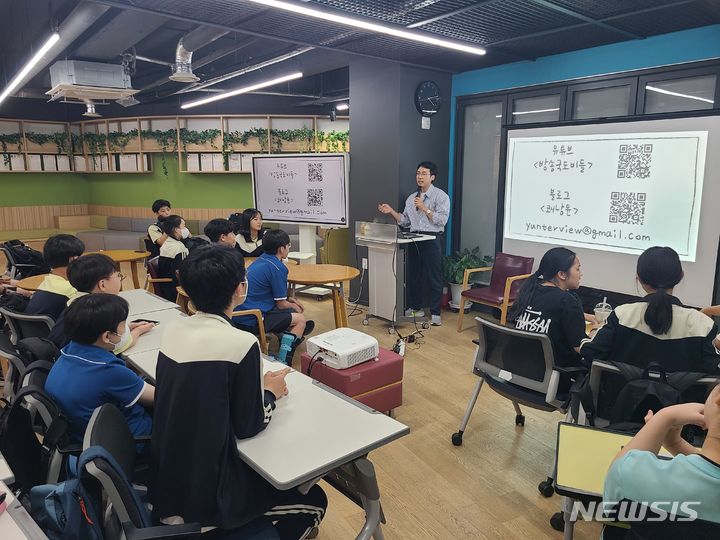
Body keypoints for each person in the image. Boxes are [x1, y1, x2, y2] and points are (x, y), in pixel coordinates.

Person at [150, 245, 327, 538]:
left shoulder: (172, 330)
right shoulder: (241, 344)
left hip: (167, 485)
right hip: (210, 500)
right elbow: (248, 426)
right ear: (240, 288)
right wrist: (270, 391)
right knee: (314, 500)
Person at [581, 246, 720, 373]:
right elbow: (713, 372)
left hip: (622, 400)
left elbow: (591, 353)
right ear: (680, 276)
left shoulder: (622, 315)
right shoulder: (703, 325)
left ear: (639, 278)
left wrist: (594, 331)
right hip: (684, 401)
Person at [45, 293, 154, 443]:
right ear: (107, 336)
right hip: (131, 441)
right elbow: (157, 398)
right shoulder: (108, 370)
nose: (125, 331)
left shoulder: (68, 351)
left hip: (83, 435)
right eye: (123, 325)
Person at [604, 393, 720, 524]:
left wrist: (664, 417)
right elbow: (711, 470)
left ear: (718, 399)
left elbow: (614, 493)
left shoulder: (640, 477)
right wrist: (674, 443)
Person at [378, 161, 450, 326]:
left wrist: (425, 208)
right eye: (418, 173)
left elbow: (442, 220)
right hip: (414, 238)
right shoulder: (412, 198)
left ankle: (435, 313)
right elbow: (404, 221)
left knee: (434, 276)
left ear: (432, 177)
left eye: (424, 173)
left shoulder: (441, 196)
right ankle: (416, 307)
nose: (420, 176)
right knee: (413, 276)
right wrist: (391, 212)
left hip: (432, 239)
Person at [234, 229, 314, 365]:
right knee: (300, 319)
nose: (289, 248)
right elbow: (280, 304)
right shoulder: (277, 268)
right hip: (253, 318)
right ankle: (284, 360)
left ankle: (286, 336)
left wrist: (289, 302)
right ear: (281, 249)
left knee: (289, 311)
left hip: (239, 314)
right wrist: (295, 306)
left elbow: (272, 296)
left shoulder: (261, 260)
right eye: (288, 246)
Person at [47, 254, 156, 352]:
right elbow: (121, 344)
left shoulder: (75, 302)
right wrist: (139, 331)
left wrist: (126, 327)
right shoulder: (100, 309)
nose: (120, 279)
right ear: (102, 285)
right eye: (119, 276)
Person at [509, 247, 589, 369]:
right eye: (577, 269)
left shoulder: (529, 291)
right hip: (551, 377)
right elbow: (580, 347)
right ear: (562, 274)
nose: (581, 274)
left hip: (515, 370)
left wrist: (584, 315)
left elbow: (548, 312)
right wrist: (595, 333)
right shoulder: (568, 301)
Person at [25, 234, 85, 321]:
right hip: (52, 333)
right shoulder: (72, 290)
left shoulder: (46, 282)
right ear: (73, 259)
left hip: (34, 333)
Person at [157, 215, 190, 301]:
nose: (186, 229)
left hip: (165, 286)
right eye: (184, 226)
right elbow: (180, 274)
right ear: (176, 229)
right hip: (174, 291)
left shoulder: (167, 243)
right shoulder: (179, 248)